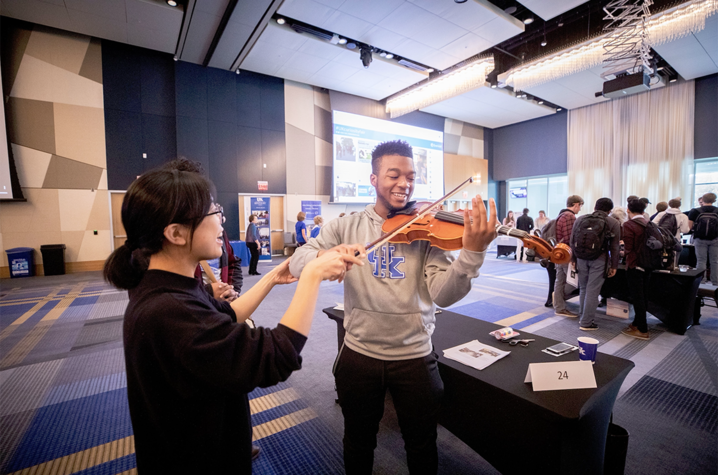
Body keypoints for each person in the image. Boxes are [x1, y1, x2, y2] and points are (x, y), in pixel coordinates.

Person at [103, 158, 360, 474]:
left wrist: (271, 277)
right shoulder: (169, 312)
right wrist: (312, 276)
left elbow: (226, 312)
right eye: (214, 212)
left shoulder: (167, 285)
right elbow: (276, 356)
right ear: (176, 233)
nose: (221, 222)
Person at [289, 140, 498, 475]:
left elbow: (443, 294)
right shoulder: (346, 226)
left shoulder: (428, 228)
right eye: (394, 175)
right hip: (359, 354)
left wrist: (472, 254)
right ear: (374, 179)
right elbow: (297, 261)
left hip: (415, 357)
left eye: (411, 176)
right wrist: (326, 257)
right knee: (358, 440)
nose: (405, 183)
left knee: (421, 444)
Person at [571, 198, 621, 331]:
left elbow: (572, 240)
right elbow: (615, 247)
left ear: (595, 207)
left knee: (583, 288)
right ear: (610, 210)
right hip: (600, 259)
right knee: (593, 290)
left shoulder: (580, 219)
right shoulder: (613, 222)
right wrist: (614, 266)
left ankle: (583, 316)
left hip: (581, 257)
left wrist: (573, 258)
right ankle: (586, 322)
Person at [621, 198, 652, 340]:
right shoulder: (648, 223)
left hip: (634, 264)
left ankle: (642, 329)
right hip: (648, 263)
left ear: (628, 210)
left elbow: (628, 247)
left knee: (637, 297)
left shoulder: (629, 225)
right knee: (644, 295)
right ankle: (637, 323)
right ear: (643, 210)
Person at [553, 195, 584, 318]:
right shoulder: (570, 217)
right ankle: (559, 301)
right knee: (573, 282)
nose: (580, 209)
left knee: (559, 280)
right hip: (566, 254)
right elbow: (570, 238)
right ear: (576, 204)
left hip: (559, 252)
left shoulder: (560, 215)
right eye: (580, 206)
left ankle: (559, 306)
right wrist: (574, 257)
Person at [688, 192, 718, 286]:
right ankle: (715, 282)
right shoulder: (717, 210)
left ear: (703, 200)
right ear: (714, 200)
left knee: (701, 260)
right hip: (715, 239)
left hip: (699, 239)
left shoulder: (695, 211)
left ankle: (701, 281)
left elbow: (690, 226)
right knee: (715, 261)